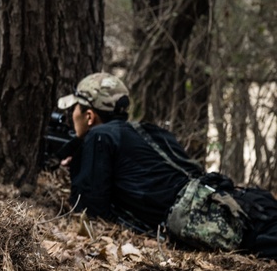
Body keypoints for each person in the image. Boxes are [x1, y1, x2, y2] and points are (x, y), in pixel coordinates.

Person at [57, 72, 277, 258]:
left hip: (211, 220)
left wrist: (80, 167)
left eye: (75, 108)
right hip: (236, 201)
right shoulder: (149, 131)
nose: (71, 114)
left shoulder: (99, 137)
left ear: (89, 116)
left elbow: (89, 209)